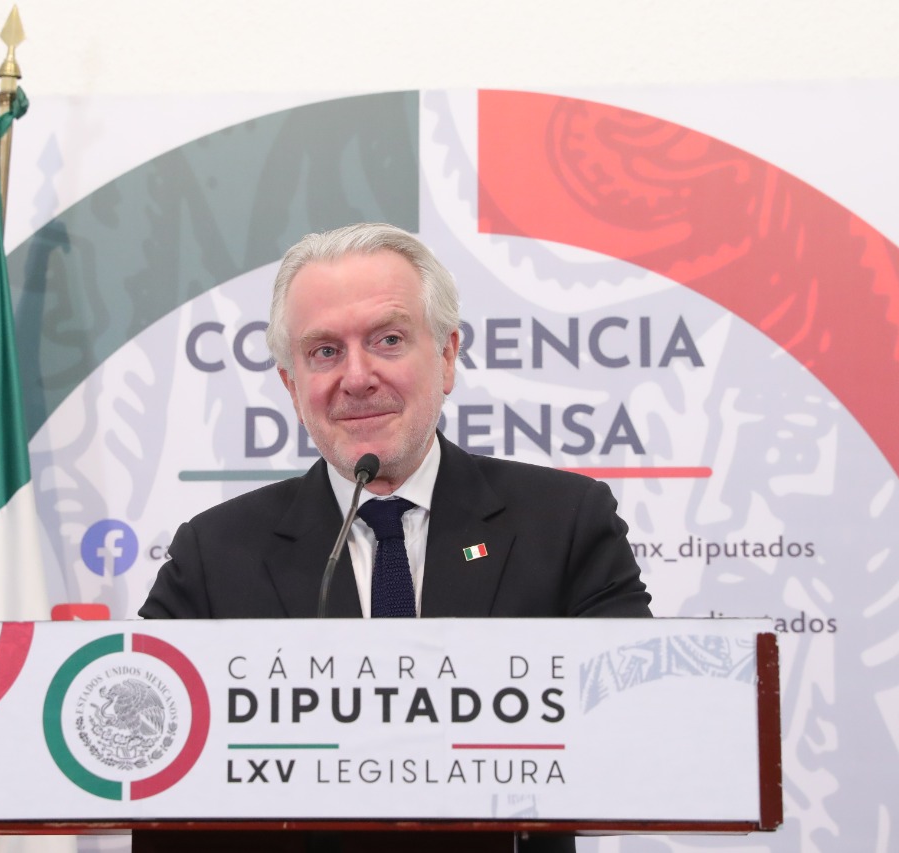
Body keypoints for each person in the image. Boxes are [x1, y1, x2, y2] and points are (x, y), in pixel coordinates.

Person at [140, 223, 651, 851]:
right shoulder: (212, 555)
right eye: (324, 351)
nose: (357, 377)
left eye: (388, 340)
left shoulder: (565, 522)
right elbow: (154, 773)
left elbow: (635, 734)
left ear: (446, 357)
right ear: (291, 386)